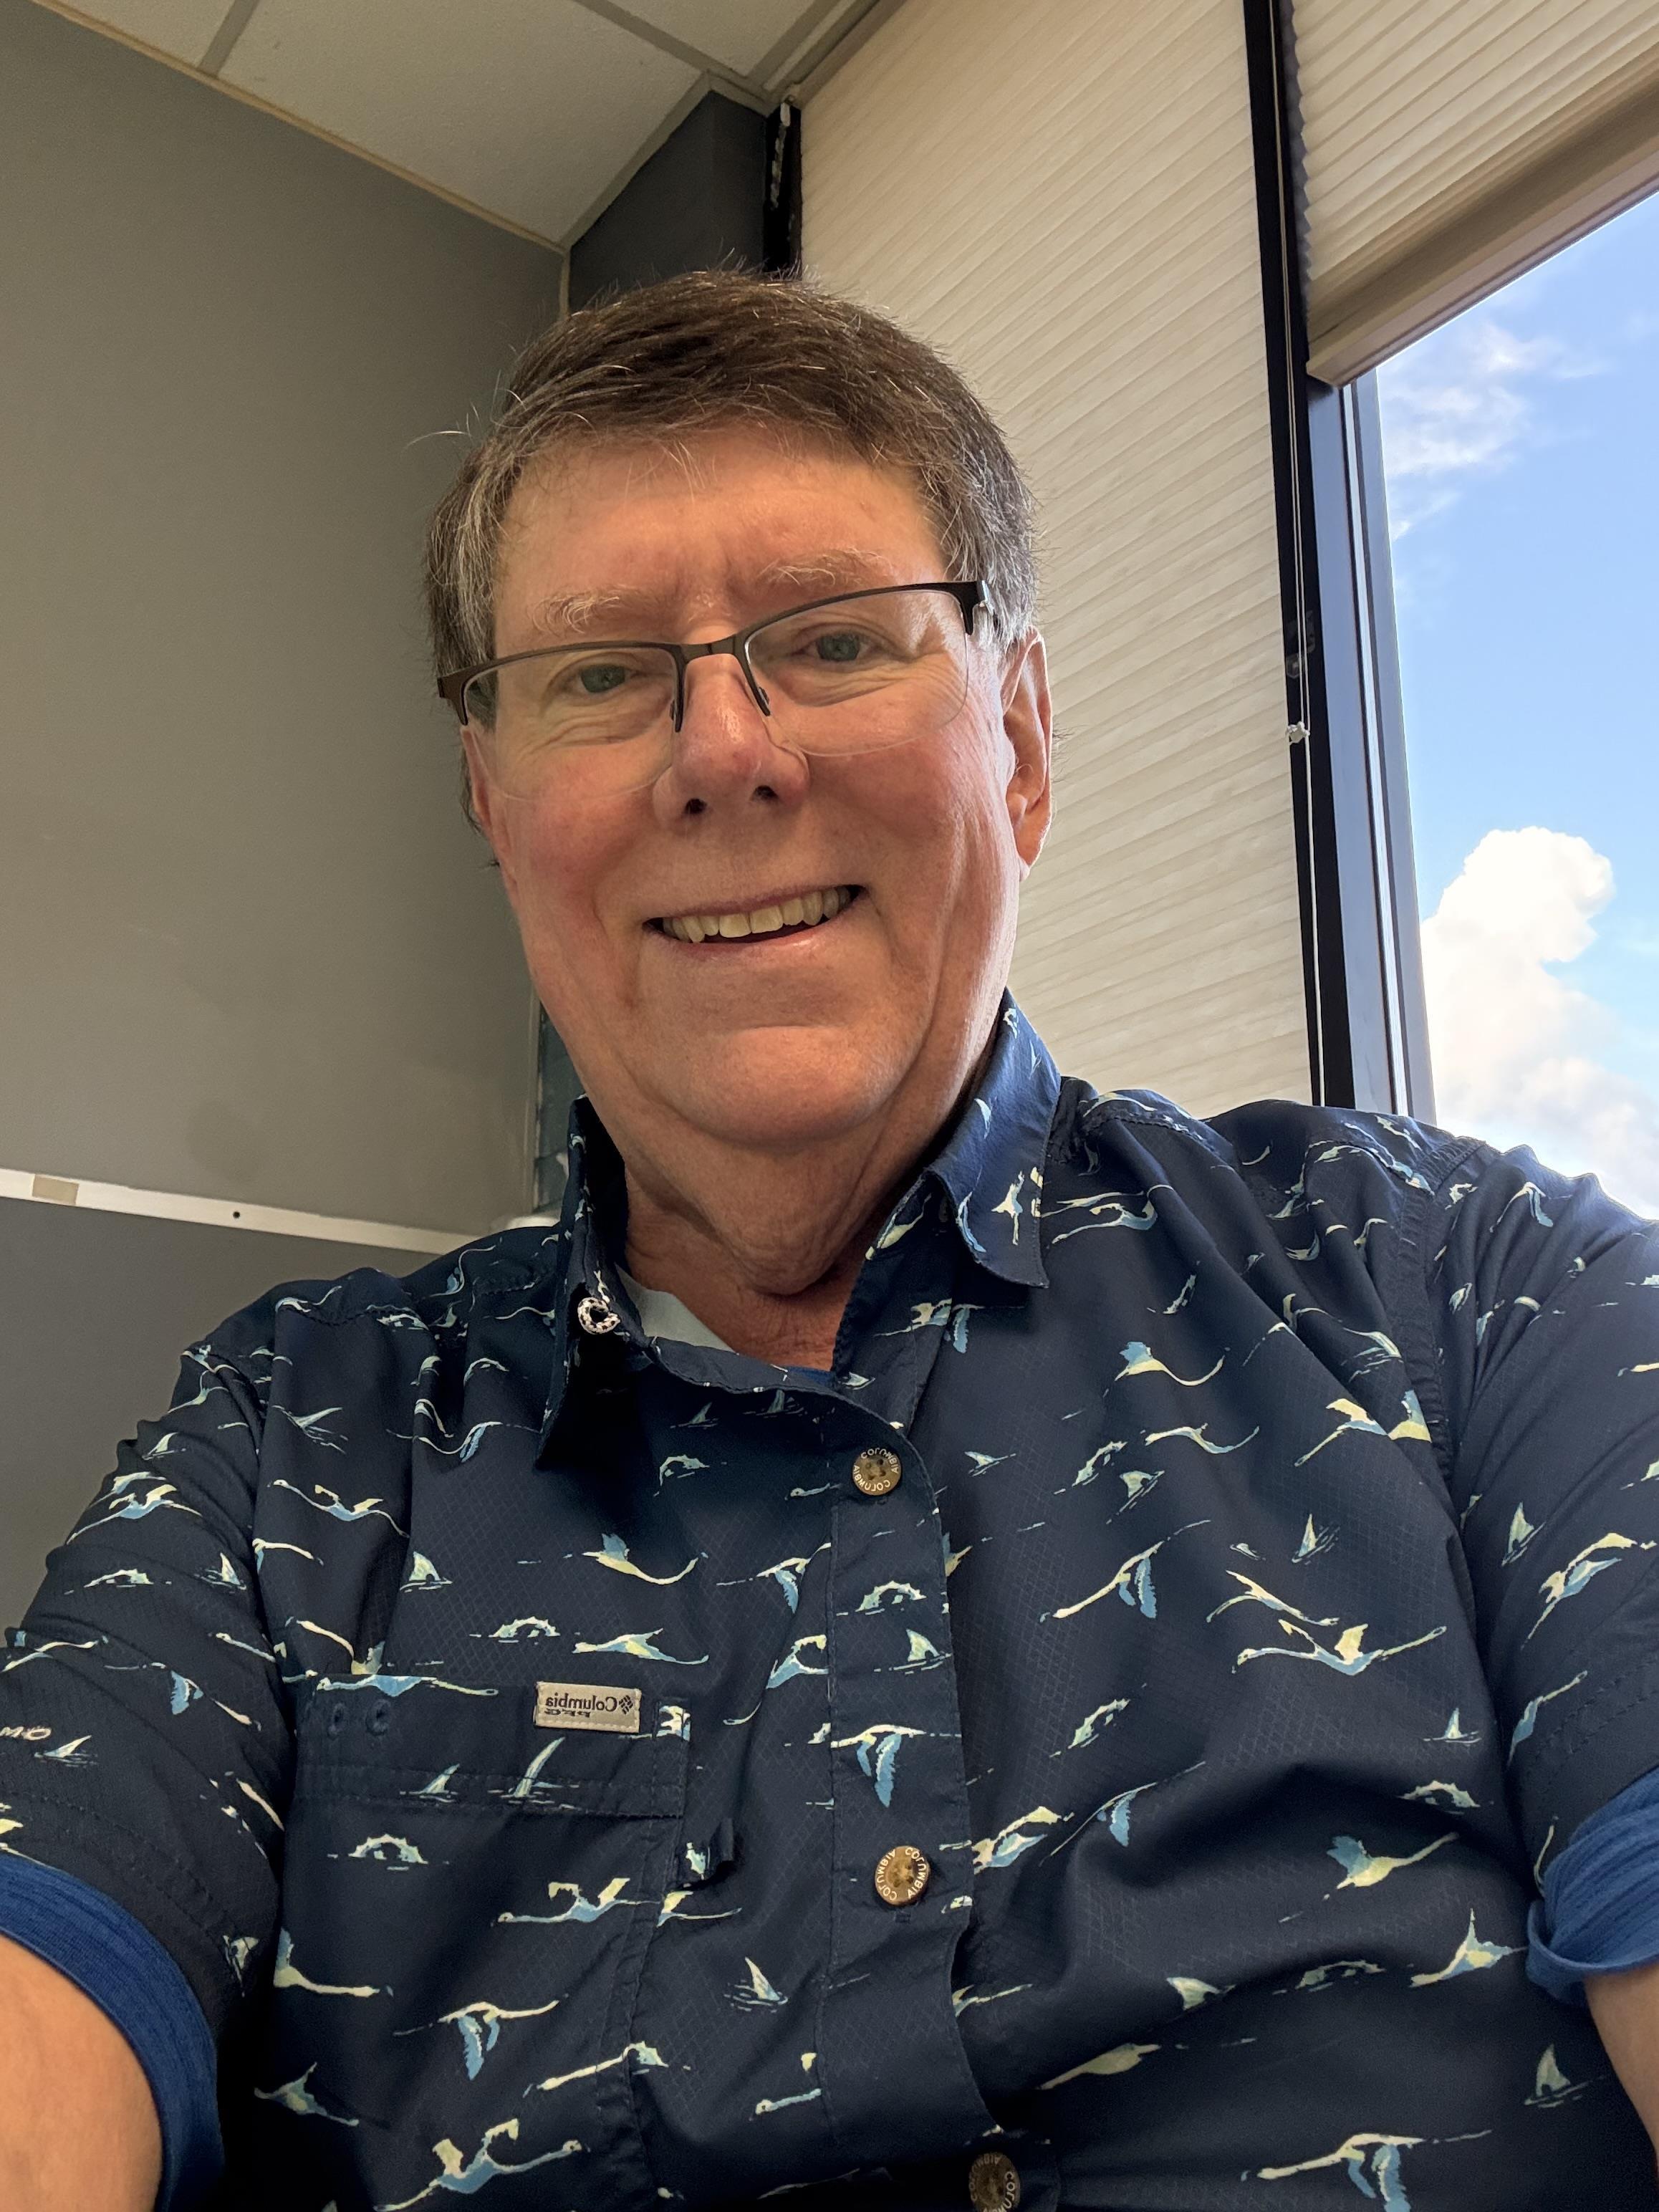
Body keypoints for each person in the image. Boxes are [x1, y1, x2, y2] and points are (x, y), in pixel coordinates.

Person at [2, 270, 1658, 2212]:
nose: (725, 749)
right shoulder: (292, 1442)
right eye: (600, 674)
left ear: (1018, 744)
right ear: (491, 802)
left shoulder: (1467, 1287)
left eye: (838, 639)